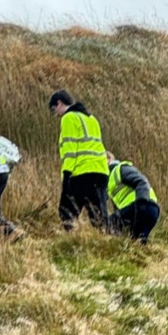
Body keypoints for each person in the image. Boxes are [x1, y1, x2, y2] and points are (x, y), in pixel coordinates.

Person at [50, 89, 110, 231]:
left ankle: (70, 243)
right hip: (101, 171)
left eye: (54, 111)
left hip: (82, 172)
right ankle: (107, 245)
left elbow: (70, 150)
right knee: (100, 217)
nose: (56, 115)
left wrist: (66, 175)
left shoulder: (69, 118)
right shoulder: (92, 119)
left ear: (59, 103)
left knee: (67, 212)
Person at [107, 152, 161, 244]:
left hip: (141, 206)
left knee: (109, 224)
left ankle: (115, 249)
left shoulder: (120, 169)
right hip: (151, 209)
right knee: (137, 241)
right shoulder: (109, 180)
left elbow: (142, 182)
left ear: (108, 160)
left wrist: (141, 205)